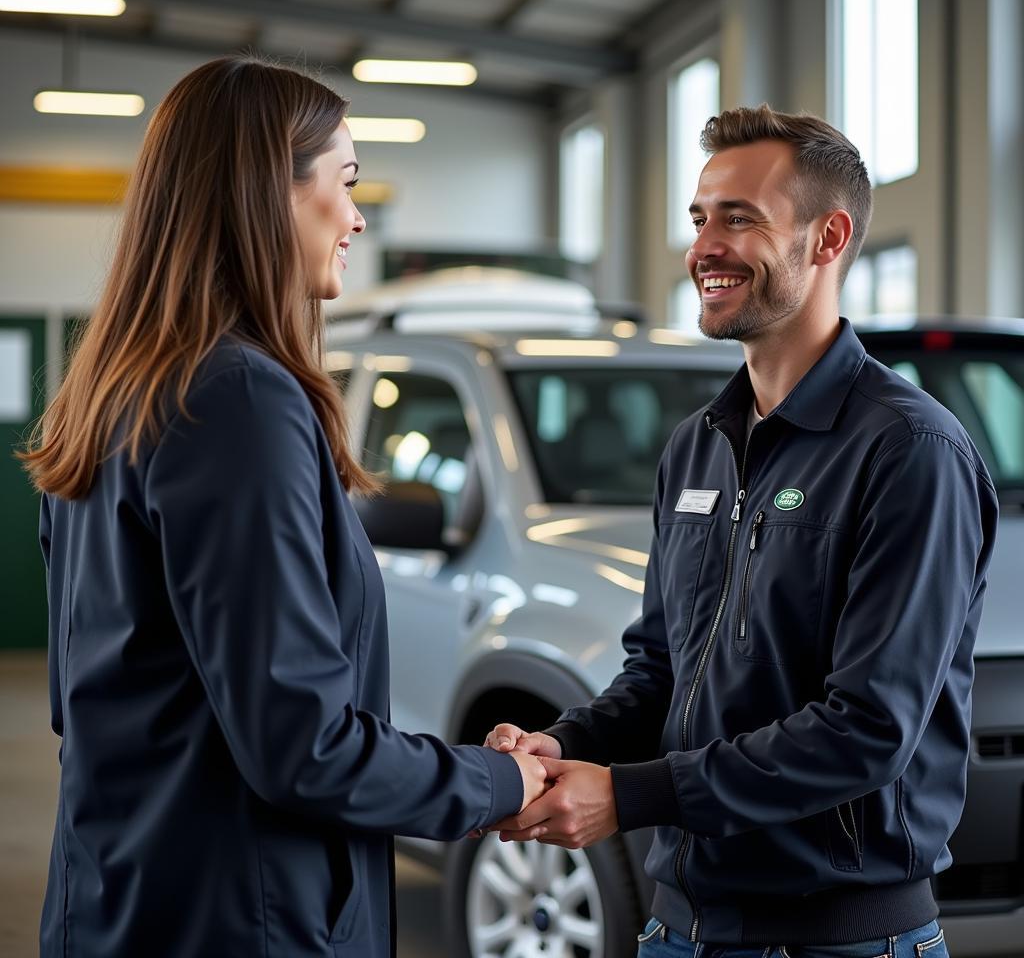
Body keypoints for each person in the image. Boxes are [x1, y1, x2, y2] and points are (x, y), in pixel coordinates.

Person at [18, 56, 548, 958]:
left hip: (117, 897)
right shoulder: (237, 401)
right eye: (343, 183)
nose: (358, 215)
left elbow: (93, 705)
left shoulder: (112, 394)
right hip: (237, 917)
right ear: (268, 193)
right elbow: (303, 745)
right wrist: (497, 781)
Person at [484, 105, 998, 957]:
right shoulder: (698, 446)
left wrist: (628, 796)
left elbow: (866, 729)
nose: (703, 249)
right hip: (678, 928)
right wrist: (564, 743)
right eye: (699, 219)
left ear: (827, 239)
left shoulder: (910, 451)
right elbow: (660, 670)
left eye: (739, 219)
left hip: (837, 939)